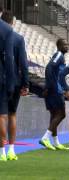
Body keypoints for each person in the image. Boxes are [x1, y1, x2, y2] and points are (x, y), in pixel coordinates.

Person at [1, 11, 29, 160]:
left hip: (2, 80)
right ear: (12, 22)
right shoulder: (18, 38)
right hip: (15, 82)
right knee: (12, 115)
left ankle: (2, 152)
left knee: (1, 115)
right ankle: (11, 150)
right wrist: (25, 84)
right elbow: (23, 64)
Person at [39, 39, 69, 151]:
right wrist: (49, 86)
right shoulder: (59, 55)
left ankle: (55, 142)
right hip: (56, 90)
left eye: (67, 44)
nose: (67, 46)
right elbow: (49, 67)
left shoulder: (59, 55)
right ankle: (45, 138)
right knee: (61, 114)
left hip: (53, 89)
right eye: (65, 44)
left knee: (54, 115)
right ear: (59, 46)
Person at [0, 15, 15, 162]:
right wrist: (11, 83)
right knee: (2, 116)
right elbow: (9, 58)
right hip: (1, 78)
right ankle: (2, 152)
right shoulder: (6, 29)